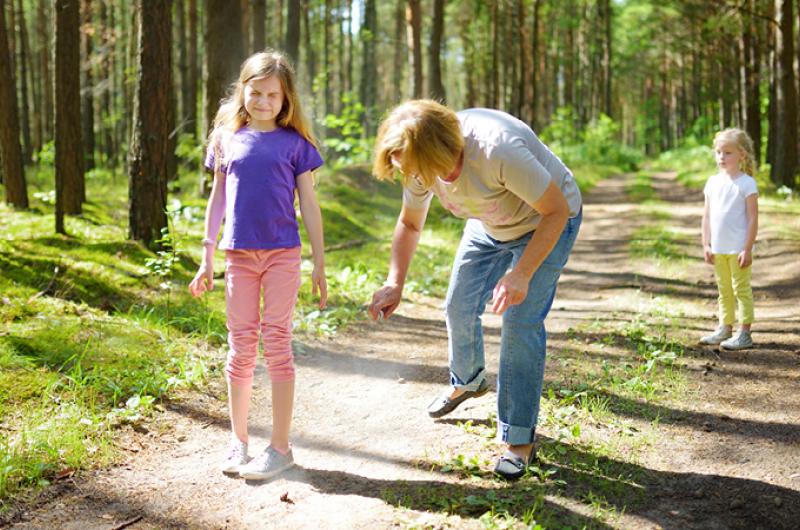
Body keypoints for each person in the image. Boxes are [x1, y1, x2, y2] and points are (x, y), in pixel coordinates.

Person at [368, 100, 582, 480]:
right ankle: (467, 382)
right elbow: (411, 223)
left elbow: (556, 209)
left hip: (546, 220)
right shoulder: (416, 162)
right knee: (458, 305)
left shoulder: (497, 151)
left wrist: (522, 273)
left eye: (414, 168)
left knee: (519, 322)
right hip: (489, 223)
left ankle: (518, 439)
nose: (411, 177)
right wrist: (394, 282)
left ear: (437, 152)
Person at [188, 50, 327, 480]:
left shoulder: (296, 145)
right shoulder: (226, 141)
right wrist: (206, 255)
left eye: (273, 94)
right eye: (256, 92)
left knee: (278, 344)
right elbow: (217, 201)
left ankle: (280, 448)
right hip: (239, 256)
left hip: (283, 254)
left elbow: (310, 205)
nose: (264, 100)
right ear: (242, 91)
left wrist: (319, 264)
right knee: (241, 346)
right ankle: (239, 441)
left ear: (286, 100)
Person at [699, 128, 759, 350]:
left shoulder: (747, 184)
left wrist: (748, 248)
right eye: (718, 152)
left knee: (741, 289)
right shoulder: (712, 183)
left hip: (738, 248)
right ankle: (725, 327)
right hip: (719, 248)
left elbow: (753, 219)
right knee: (723, 289)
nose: (722, 157)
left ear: (741, 155)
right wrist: (706, 244)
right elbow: (706, 216)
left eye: (728, 152)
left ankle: (744, 333)